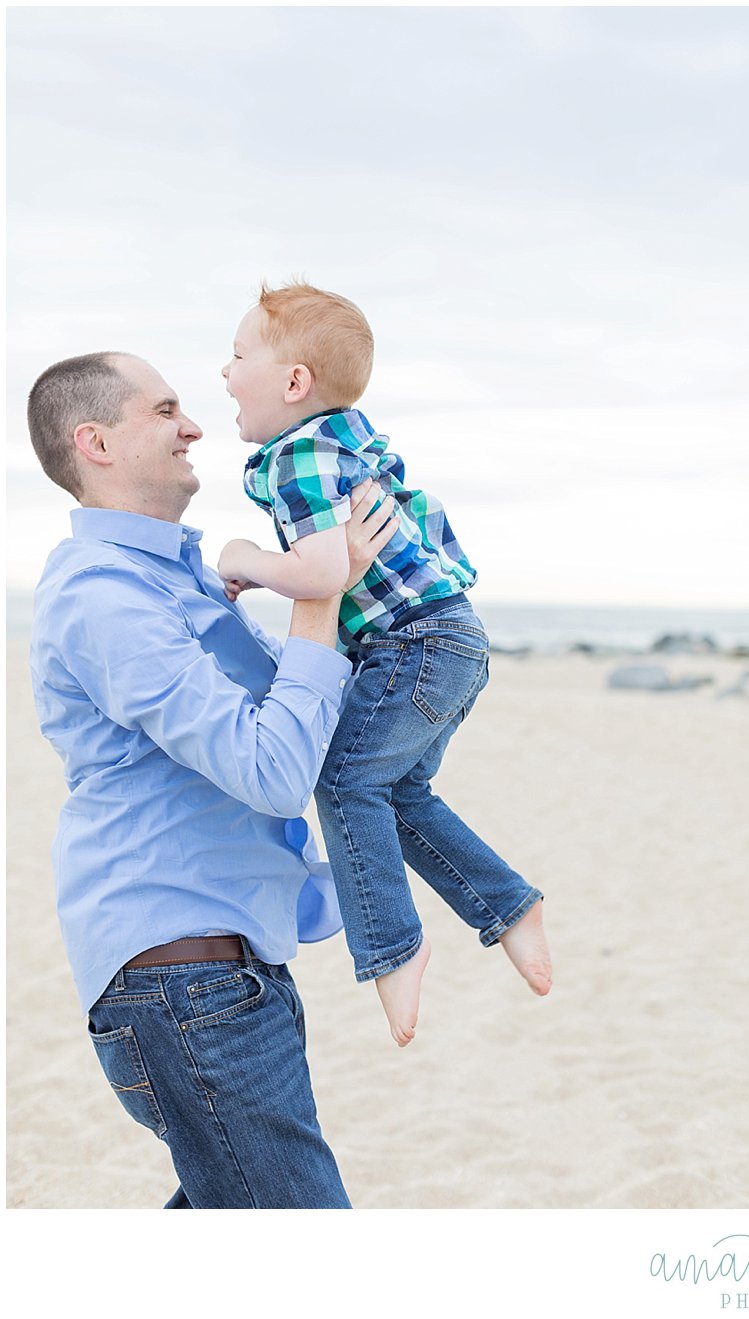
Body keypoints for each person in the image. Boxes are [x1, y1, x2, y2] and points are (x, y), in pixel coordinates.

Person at [27, 350, 396, 1208]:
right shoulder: (102, 594)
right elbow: (269, 768)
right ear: (96, 443)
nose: (194, 425)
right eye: (164, 410)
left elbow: (311, 723)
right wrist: (317, 594)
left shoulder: (177, 579)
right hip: (182, 982)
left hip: (232, 975)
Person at [218, 281, 553, 1047]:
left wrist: (246, 559)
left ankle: (393, 948)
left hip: (413, 645)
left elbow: (323, 570)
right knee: (396, 792)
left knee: (342, 780)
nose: (226, 373)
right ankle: (508, 906)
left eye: (238, 357)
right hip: (449, 638)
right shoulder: (347, 440)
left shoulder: (299, 454)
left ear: (293, 382)